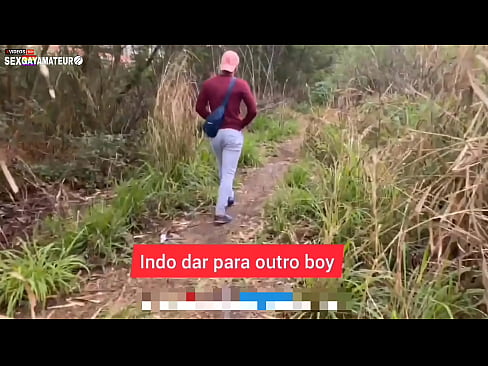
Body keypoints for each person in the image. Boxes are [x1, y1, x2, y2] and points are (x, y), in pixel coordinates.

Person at [196, 50, 258, 225]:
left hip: (216, 134)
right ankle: (220, 213)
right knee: (228, 173)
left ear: (221, 64)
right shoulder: (241, 85)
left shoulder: (209, 84)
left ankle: (229, 196)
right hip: (233, 133)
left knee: (223, 168)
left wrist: (212, 119)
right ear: (235, 66)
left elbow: (199, 107)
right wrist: (241, 123)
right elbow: (253, 110)